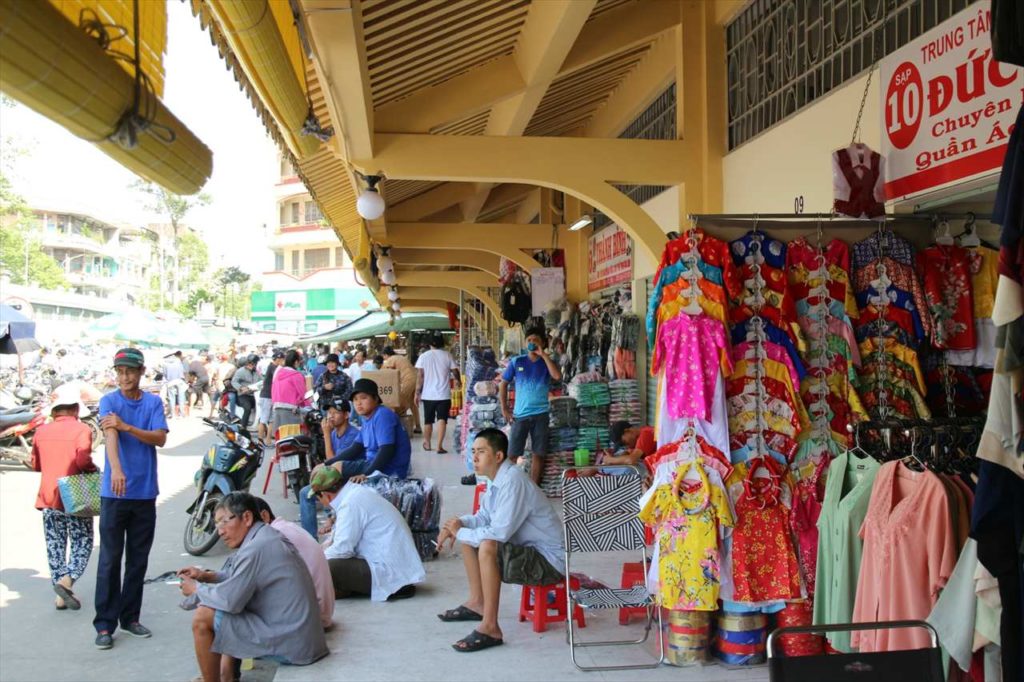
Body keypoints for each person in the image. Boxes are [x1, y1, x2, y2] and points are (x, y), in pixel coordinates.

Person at [436, 428, 565, 652]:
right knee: (468, 535)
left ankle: (490, 627)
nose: (474, 457)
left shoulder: (513, 481)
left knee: (487, 545)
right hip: (529, 553)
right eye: (473, 451)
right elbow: (483, 517)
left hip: (549, 562)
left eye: (482, 452)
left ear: (498, 456)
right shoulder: (497, 480)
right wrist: (457, 524)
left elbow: (499, 533)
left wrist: (460, 531)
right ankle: (477, 602)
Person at [178, 493, 328, 682]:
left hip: (294, 645)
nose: (220, 531)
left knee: (203, 616)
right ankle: (227, 675)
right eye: (217, 524)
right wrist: (206, 576)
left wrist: (196, 590)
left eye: (224, 522)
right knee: (225, 608)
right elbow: (240, 579)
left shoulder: (256, 548)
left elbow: (230, 600)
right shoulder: (266, 536)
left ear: (247, 518)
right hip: (303, 638)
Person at [94, 347, 169, 650]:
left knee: (137, 560)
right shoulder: (109, 401)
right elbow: (110, 436)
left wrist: (127, 426)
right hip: (115, 493)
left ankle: (130, 617)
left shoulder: (153, 402)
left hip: (145, 492)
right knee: (110, 559)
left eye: (130, 371)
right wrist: (117, 470)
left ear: (141, 372)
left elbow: (160, 438)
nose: (124, 377)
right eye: (120, 371)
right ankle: (104, 624)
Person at [308, 468, 424, 601]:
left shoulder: (350, 504)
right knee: (325, 565)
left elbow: (342, 549)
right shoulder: (356, 493)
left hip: (391, 574)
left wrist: (315, 562)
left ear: (326, 495)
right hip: (398, 569)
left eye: (319, 498)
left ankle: (339, 589)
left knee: (328, 567)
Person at [31, 384, 97, 611]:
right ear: (76, 410)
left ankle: (60, 596)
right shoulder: (82, 430)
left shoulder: (41, 431)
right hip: (76, 497)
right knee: (83, 542)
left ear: (55, 410)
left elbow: (36, 464)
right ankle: (67, 582)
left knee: (55, 545)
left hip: (49, 497)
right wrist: (93, 469)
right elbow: (82, 462)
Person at [253, 497, 334, 629]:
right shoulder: (285, 527)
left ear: (264, 516)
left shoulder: (274, 536)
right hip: (320, 613)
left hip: (311, 619)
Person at [499, 326, 561, 485]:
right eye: (529, 340)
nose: (532, 343)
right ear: (525, 343)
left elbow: (556, 376)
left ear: (542, 344)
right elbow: (503, 384)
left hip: (541, 414)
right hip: (520, 415)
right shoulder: (517, 361)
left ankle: (533, 487)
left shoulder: (546, 362)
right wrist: (505, 408)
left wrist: (544, 355)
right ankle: (507, 484)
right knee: (513, 453)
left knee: (538, 453)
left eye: (536, 340)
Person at [320, 378, 411, 480]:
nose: (358, 403)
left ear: (375, 399)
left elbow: (387, 450)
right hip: (370, 465)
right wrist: (326, 464)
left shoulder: (382, 414)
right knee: (329, 469)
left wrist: (366, 475)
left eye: (363, 398)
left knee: (336, 468)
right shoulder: (366, 419)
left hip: (389, 472)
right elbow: (355, 448)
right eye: (355, 399)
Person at [298, 398, 361, 537]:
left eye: (336, 412)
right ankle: (310, 537)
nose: (331, 416)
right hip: (337, 477)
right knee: (306, 492)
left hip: (349, 478)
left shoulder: (353, 435)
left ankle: (330, 519)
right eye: (329, 412)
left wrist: (325, 434)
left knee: (317, 486)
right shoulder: (334, 433)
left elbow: (333, 463)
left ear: (346, 415)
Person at [415, 335, 460, 453]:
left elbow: (420, 376)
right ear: (442, 344)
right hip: (443, 394)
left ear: (430, 344)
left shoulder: (423, 356)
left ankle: (427, 443)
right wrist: (458, 380)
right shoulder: (447, 355)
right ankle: (439, 446)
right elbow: (455, 371)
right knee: (442, 419)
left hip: (428, 395)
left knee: (428, 420)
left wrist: (417, 393)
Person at [270, 349, 310, 439]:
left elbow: (273, 390)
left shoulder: (278, 373)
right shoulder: (296, 375)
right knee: (293, 441)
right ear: (296, 362)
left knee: (280, 441)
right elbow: (304, 394)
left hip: (277, 410)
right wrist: (310, 407)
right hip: (291, 411)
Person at [381, 346, 420, 435]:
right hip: (415, 379)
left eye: (384, 356)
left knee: (399, 401)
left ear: (386, 355)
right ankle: (418, 426)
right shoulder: (401, 357)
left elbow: (386, 373)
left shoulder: (391, 359)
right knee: (413, 404)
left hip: (407, 381)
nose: (384, 358)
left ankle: (399, 426)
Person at [258, 350, 285, 444]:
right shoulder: (273, 367)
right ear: (277, 359)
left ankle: (268, 440)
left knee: (271, 420)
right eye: (281, 359)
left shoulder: (275, 367)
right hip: (266, 396)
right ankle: (260, 440)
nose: (282, 361)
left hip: (271, 396)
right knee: (264, 419)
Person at [230, 354, 261, 429]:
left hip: (255, 394)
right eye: (249, 363)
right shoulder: (240, 371)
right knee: (248, 408)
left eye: (253, 364)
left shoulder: (257, 372)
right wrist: (241, 388)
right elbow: (234, 382)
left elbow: (261, 381)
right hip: (243, 395)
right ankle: (243, 427)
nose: (250, 365)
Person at [163, 350, 187, 419]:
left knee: (171, 398)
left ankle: (172, 414)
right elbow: (182, 371)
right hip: (179, 380)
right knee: (181, 397)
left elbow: (164, 374)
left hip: (170, 381)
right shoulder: (178, 361)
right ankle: (182, 414)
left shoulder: (165, 363)